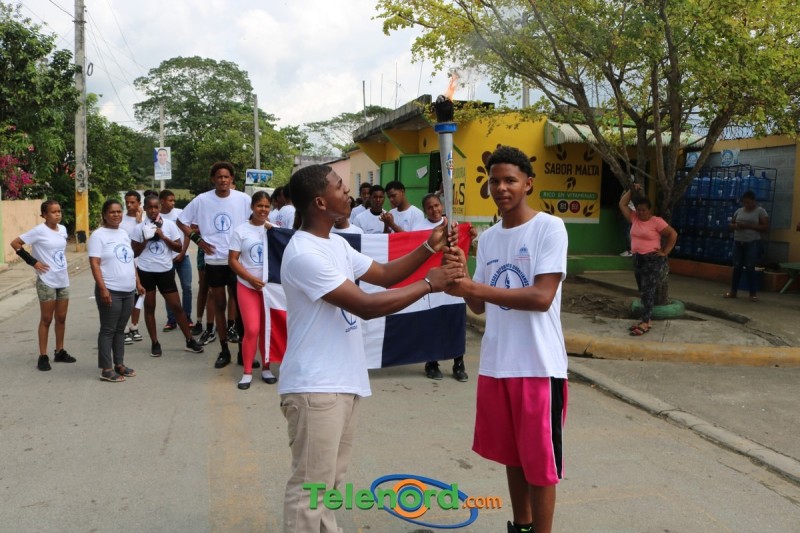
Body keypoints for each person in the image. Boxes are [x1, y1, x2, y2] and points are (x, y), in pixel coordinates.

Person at [278, 164, 462, 532]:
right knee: (310, 489)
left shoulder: (336, 244)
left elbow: (386, 274)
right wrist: (429, 284)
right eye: (339, 186)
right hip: (316, 387)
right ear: (320, 202)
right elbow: (365, 305)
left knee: (329, 485)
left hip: (342, 383)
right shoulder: (303, 254)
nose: (348, 191)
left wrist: (431, 245)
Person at [444, 146, 569, 533]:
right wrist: (462, 279)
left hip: (538, 366)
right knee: (513, 457)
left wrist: (473, 286)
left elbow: (541, 297)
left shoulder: (549, 228)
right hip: (498, 365)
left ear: (528, 183)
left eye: (510, 180)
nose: (501, 188)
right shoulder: (490, 239)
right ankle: (522, 526)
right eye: (495, 181)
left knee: (541, 466)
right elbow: (479, 306)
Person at [178, 162, 251, 368]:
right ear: (213, 179)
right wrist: (198, 240)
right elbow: (181, 221)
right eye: (219, 177)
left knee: (241, 306)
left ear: (232, 179)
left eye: (226, 177)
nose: (223, 180)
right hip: (214, 261)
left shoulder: (243, 199)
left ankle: (243, 352)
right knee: (219, 304)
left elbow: (257, 220)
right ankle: (224, 350)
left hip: (237, 261)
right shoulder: (202, 200)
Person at [131, 195, 204, 357]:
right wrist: (146, 240)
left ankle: (189, 340)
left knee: (176, 306)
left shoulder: (170, 225)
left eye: (155, 207)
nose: (153, 210)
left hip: (165, 271)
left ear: (159, 207)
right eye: (149, 207)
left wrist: (163, 236)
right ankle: (155, 343)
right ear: (145, 208)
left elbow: (178, 248)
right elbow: (133, 253)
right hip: (146, 271)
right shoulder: (139, 228)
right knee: (150, 307)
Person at [11, 200, 75, 371]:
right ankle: (43, 356)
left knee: (61, 318)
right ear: (44, 215)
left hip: (63, 280)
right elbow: (15, 243)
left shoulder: (63, 229)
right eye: (53, 212)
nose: (57, 214)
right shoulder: (39, 231)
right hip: (47, 280)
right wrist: (33, 262)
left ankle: (60, 351)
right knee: (46, 319)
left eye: (59, 211)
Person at [88, 199, 142, 382]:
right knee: (108, 329)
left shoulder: (123, 234)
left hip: (128, 290)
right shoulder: (98, 236)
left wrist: (138, 283)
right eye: (112, 212)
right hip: (111, 289)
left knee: (120, 329)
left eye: (119, 211)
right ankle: (106, 368)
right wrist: (103, 289)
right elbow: (94, 263)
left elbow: (129, 260)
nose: (116, 215)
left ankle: (119, 364)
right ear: (105, 215)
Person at [228, 191, 277, 389]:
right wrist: (249, 278)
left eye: (266, 206)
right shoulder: (241, 230)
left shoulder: (275, 230)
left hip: (269, 289)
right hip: (247, 286)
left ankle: (266, 368)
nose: (263, 210)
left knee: (267, 329)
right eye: (259, 206)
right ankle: (247, 372)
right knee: (252, 329)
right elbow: (232, 260)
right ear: (252, 207)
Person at [418, 193, 469, 382]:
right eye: (430, 207)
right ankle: (432, 363)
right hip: (433, 283)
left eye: (437, 205)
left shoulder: (453, 225)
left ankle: (459, 364)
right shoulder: (419, 228)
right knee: (433, 323)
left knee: (455, 323)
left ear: (442, 205)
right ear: (425, 210)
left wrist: (469, 235)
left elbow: (463, 247)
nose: (434, 210)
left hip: (454, 280)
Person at [618, 184, 678, 335]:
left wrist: (665, 251)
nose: (641, 212)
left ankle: (644, 322)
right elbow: (622, 204)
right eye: (639, 209)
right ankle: (647, 319)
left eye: (644, 210)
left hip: (652, 259)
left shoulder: (656, 221)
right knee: (642, 289)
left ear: (650, 210)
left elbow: (672, 234)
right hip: (637, 258)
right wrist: (632, 190)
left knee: (648, 291)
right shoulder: (634, 218)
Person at [158, 189, 193, 331]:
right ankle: (171, 320)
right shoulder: (158, 217)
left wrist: (182, 252)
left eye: (174, 200)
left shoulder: (180, 213)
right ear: (162, 201)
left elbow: (187, 234)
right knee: (169, 290)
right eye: (170, 200)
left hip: (183, 257)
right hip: (167, 259)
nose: (173, 203)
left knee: (187, 287)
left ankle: (187, 317)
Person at [726, 190, 769, 301]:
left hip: (752, 242)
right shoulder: (739, 211)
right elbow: (731, 224)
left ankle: (752, 293)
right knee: (737, 266)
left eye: (748, 202)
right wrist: (734, 226)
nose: (746, 204)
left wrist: (747, 226)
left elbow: (765, 227)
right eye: (744, 202)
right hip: (738, 241)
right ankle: (733, 291)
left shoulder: (760, 211)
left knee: (750, 267)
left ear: (754, 201)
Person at [120, 191, 144, 344]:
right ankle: (123, 328)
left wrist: (140, 222)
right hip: (125, 262)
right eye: (127, 202)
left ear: (139, 203)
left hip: (142, 262)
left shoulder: (144, 219)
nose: (129, 205)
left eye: (132, 202)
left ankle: (134, 326)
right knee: (125, 295)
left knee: (139, 295)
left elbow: (146, 237)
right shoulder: (120, 219)